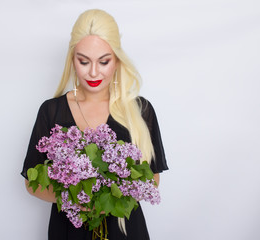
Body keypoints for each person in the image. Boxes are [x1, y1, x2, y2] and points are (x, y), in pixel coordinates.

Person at [21, 9, 168, 240]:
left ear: (117, 60)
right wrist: (76, 200)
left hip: (125, 232)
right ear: (72, 60)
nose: (93, 72)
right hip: (69, 232)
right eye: (84, 61)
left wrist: (107, 202)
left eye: (104, 61)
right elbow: (32, 184)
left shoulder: (140, 110)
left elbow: (153, 178)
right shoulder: (51, 110)